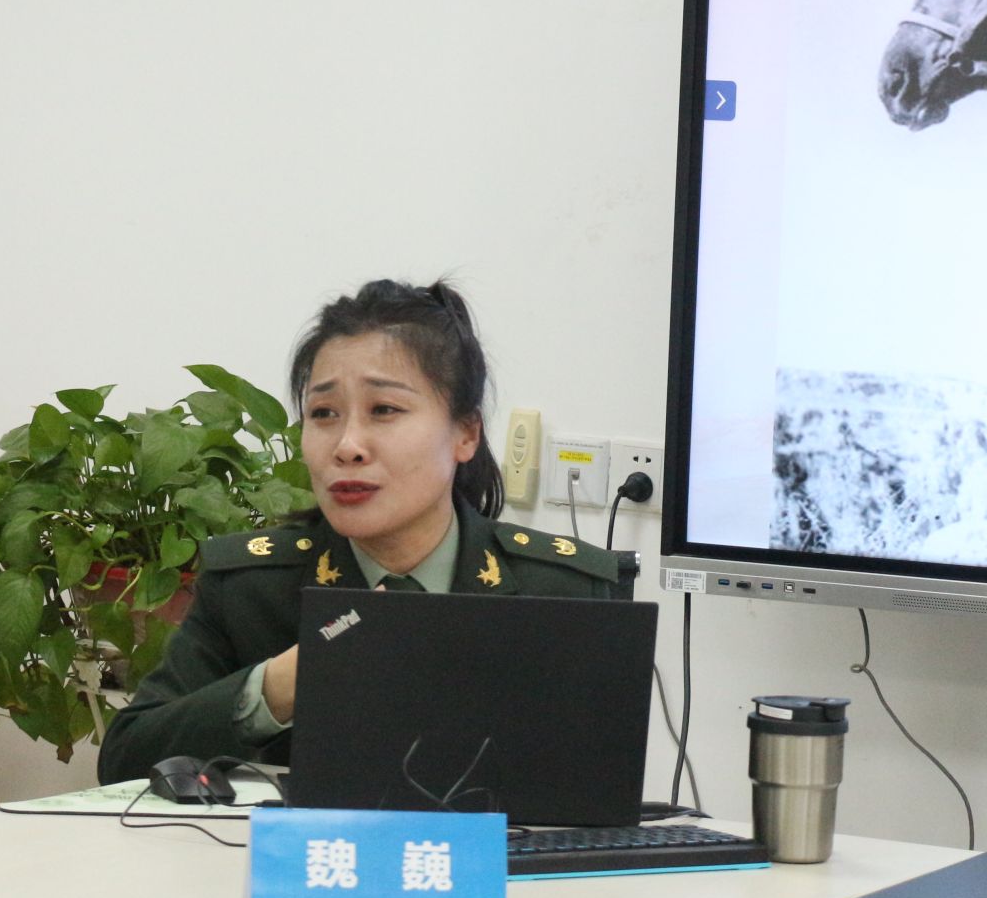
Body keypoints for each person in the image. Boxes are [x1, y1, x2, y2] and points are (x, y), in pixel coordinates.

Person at [97, 279, 624, 783]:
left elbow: (597, 793)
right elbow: (125, 760)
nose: (347, 446)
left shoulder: (564, 591)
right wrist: (280, 685)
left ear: (465, 433)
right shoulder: (251, 589)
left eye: (384, 410)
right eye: (324, 413)